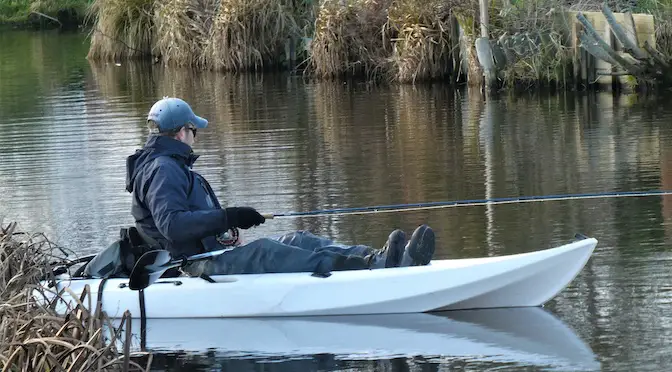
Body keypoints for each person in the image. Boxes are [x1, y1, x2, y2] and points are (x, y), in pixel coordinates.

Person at [124, 97, 436, 276]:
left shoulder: (172, 166)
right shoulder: (163, 170)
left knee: (298, 238)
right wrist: (229, 217)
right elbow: (173, 226)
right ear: (182, 133)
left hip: (210, 254)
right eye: (195, 131)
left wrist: (225, 229)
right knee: (267, 251)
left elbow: (193, 222)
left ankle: (379, 259)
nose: (196, 137)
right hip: (192, 268)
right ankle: (372, 270)